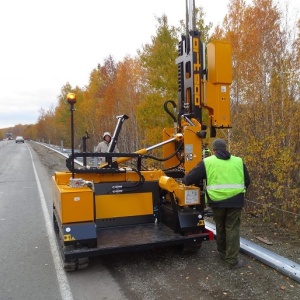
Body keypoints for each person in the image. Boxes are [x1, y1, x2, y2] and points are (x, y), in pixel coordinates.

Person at [183, 138, 250, 269]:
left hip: (217, 201)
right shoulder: (238, 161)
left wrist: (184, 181)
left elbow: (188, 179)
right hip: (236, 201)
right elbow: (247, 181)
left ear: (213, 150)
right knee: (232, 229)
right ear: (225, 149)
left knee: (220, 226)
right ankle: (231, 260)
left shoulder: (208, 162)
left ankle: (222, 252)